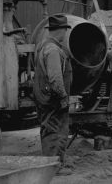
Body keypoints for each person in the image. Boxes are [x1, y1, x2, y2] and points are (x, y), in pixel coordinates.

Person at [33, 14, 73, 175]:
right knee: (57, 132)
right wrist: (63, 97)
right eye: (65, 30)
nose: (65, 34)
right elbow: (55, 78)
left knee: (49, 130)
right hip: (54, 100)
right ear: (61, 30)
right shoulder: (53, 50)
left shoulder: (43, 45)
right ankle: (54, 167)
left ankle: (51, 164)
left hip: (45, 97)